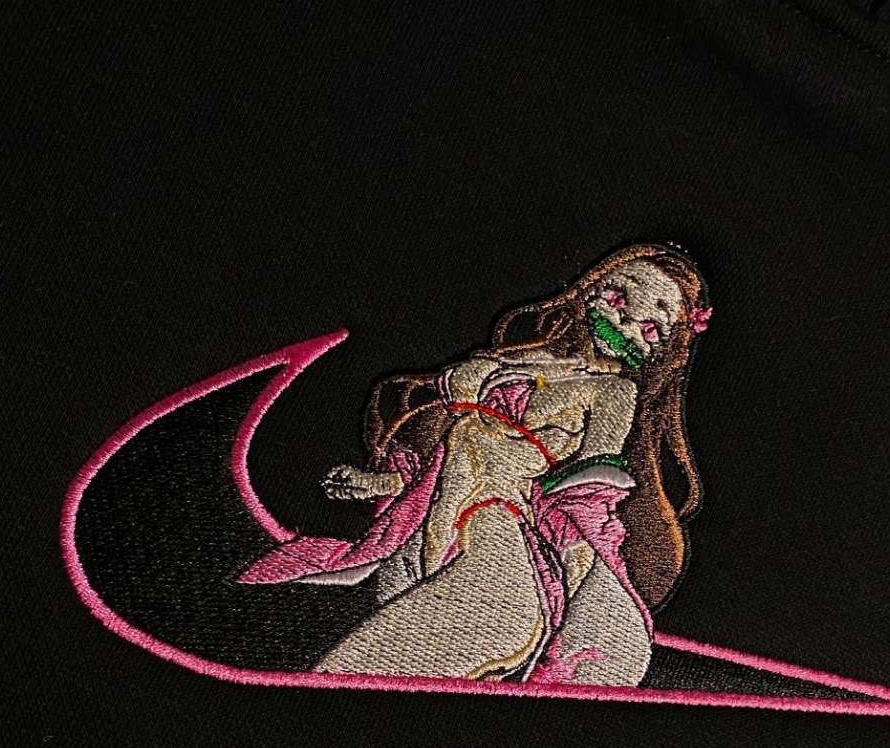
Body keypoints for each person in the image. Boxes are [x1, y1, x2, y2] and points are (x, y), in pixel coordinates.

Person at [239, 244, 712, 684]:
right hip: (428, 520)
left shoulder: (614, 392)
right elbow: (445, 446)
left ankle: (319, 690)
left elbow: (586, 490)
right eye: (624, 291)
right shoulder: (523, 359)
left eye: (656, 317)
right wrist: (379, 483)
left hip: (496, 518)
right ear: (592, 289)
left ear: (665, 344)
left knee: (498, 613)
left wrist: (580, 576)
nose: (631, 316)